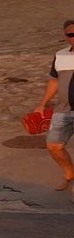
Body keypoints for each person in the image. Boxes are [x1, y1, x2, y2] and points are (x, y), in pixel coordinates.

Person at [34, 20, 74, 192]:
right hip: (63, 110)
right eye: (71, 34)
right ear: (66, 37)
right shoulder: (60, 55)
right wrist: (42, 104)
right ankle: (70, 176)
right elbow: (55, 81)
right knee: (54, 146)